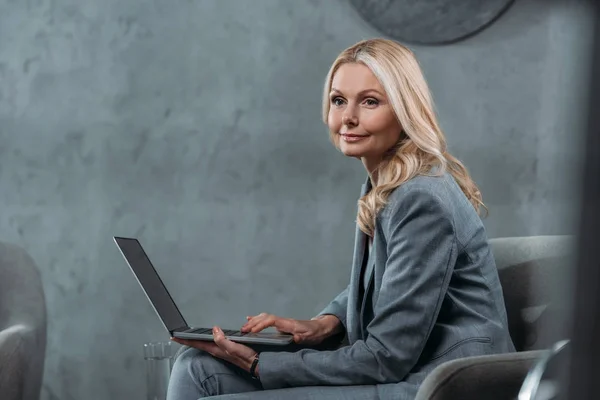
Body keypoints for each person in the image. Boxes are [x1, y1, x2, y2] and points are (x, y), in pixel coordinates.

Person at [166, 38, 516, 400]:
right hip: (407, 369)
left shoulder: (420, 198)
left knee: (211, 374)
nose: (348, 117)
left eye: (370, 102)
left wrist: (259, 363)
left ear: (404, 109)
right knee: (196, 365)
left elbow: (386, 357)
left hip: (439, 382)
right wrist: (325, 322)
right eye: (338, 100)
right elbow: (391, 276)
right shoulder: (390, 182)